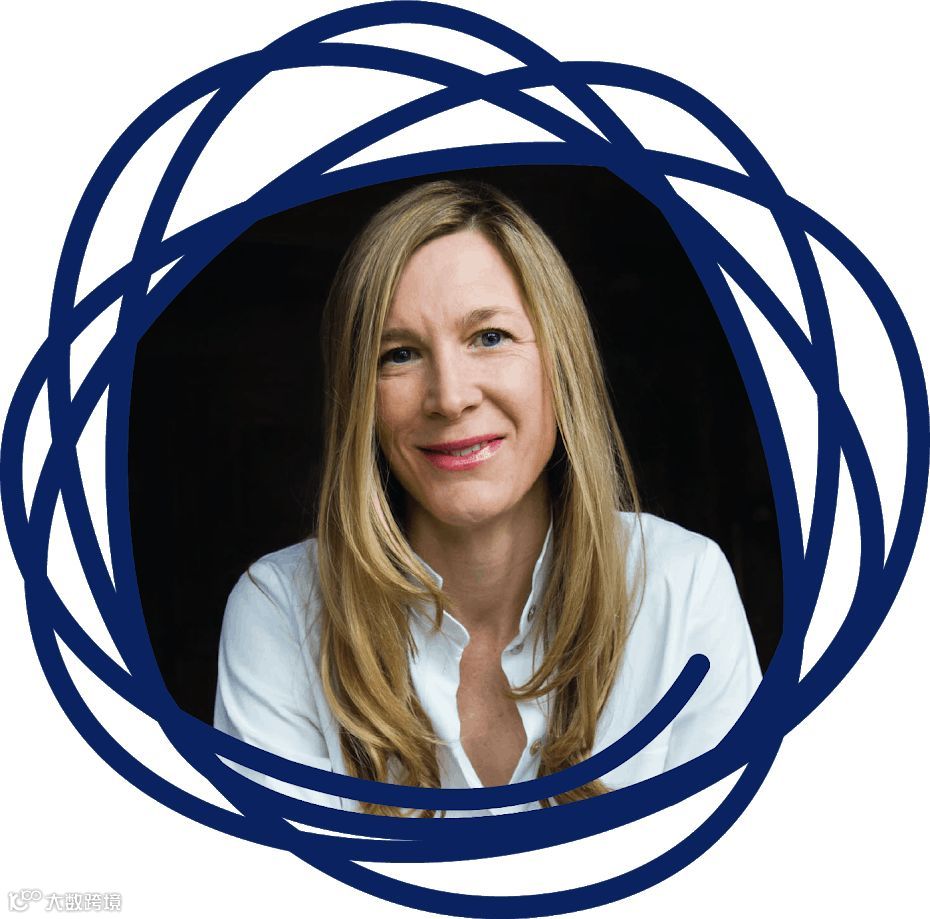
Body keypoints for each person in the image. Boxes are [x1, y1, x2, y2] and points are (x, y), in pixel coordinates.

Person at [213, 180, 761, 817]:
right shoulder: (281, 611)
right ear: (360, 396)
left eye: (490, 337)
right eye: (400, 354)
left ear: (560, 361)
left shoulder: (681, 584)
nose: (450, 397)